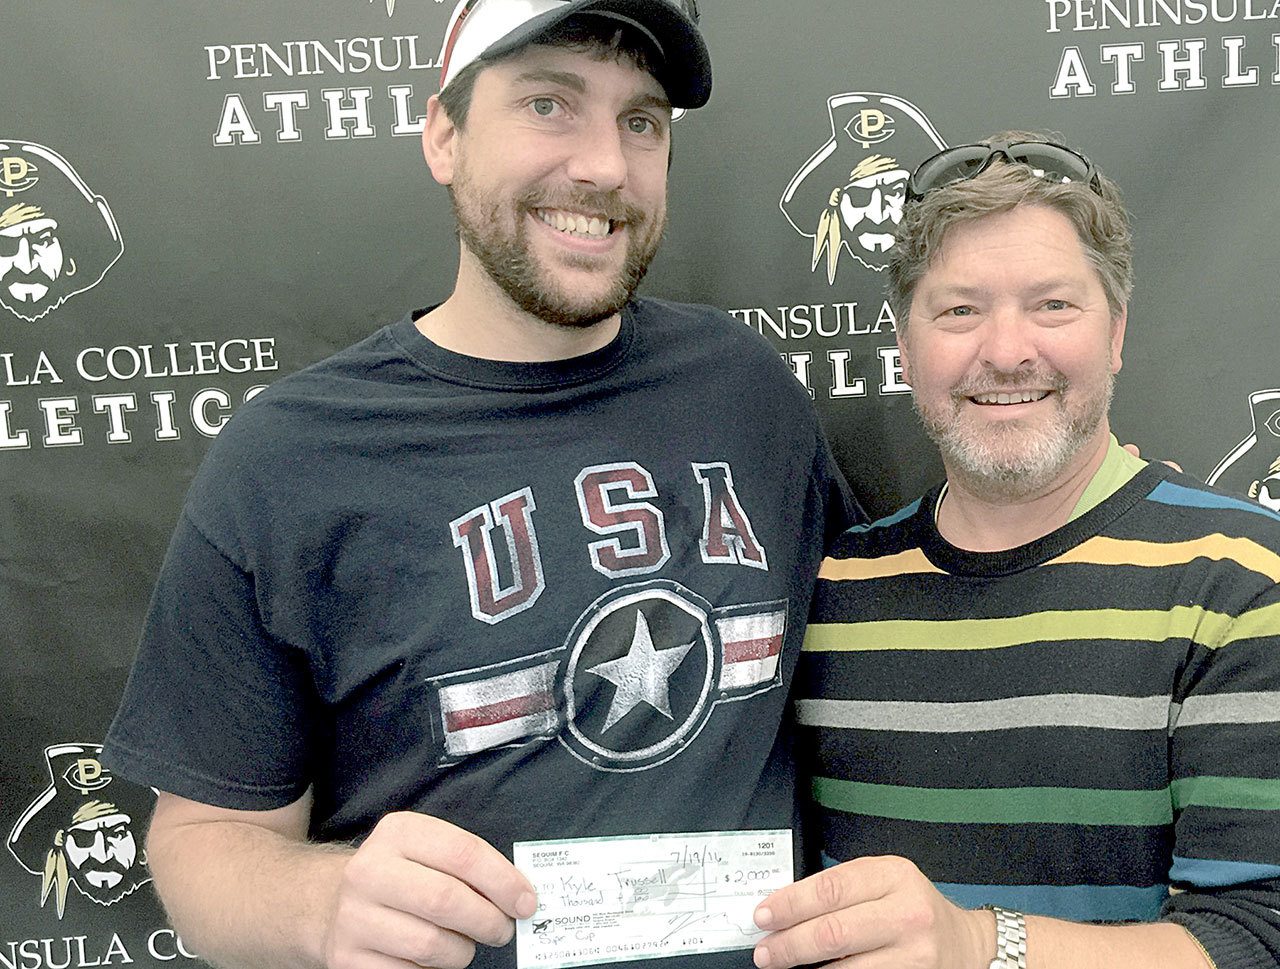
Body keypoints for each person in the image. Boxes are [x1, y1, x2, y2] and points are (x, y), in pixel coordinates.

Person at [102, 3, 857, 969]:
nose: (604, 167)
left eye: (642, 121)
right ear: (444, 136)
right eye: (549, 104)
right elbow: (202, 840)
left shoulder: (748, 390)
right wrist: (317, 901)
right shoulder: (289, 458)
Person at [752, 137, 1280, 969]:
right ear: (905, 341)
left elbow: (1257, 937)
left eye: (1052, 306)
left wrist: (975, 945)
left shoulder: (1244, 580)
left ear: (1116, 331)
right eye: (959, 309)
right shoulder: (834, 589)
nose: (1004, 350)